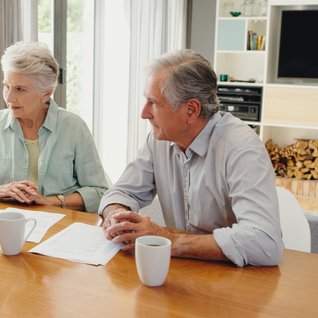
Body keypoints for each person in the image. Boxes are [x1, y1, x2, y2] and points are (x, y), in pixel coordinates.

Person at [100, 49, 283, 266]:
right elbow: (122, 191)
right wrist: (116, 213)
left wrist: (168, 239)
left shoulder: (241, 149)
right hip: (180, 268)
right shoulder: (159, 139)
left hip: (235, 278)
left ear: (191, 110)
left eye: (154, 103)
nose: (144, 113)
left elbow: (264, 243)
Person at [0, 41, 108, 213]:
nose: (9, 97)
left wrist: (50, 201)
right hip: (4, 227)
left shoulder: (74, 128)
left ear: (46, 93)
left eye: (20, 89)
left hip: (59, 229)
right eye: (6, 87)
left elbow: (99, 192)